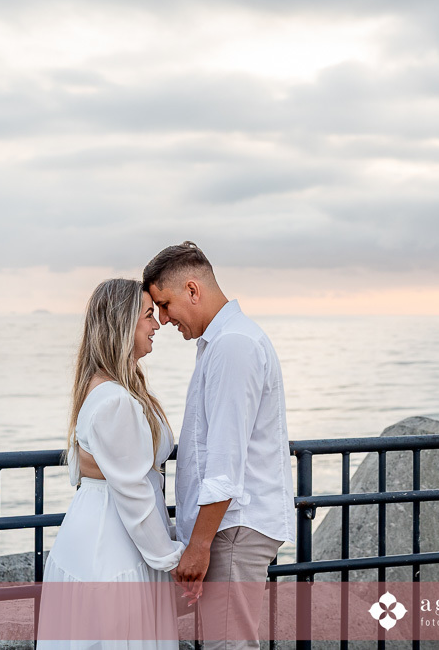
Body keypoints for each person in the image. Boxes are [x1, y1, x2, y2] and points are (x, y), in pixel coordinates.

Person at [142, 242, 295, 650]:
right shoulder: (223, 343)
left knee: (229, 647)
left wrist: (199, 546)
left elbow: (226, 462)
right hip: (229, 528)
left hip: (233, 530)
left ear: (193, 289)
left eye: (165, 303)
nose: (163, 317)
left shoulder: (233, 346)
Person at [37, 279, 184, 649]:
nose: (157, 325)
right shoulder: (115, 399)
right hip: (114, 548)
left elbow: (88, 455)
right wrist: (170, 557)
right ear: (123, 324)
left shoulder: (107, 386)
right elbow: (132, 491)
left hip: (97, 535)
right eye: (149, 315)